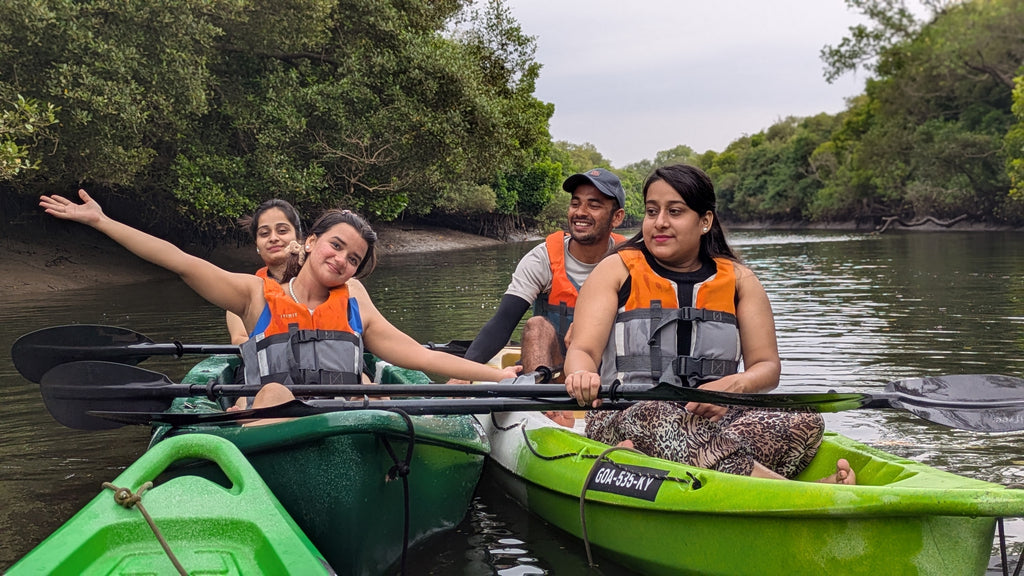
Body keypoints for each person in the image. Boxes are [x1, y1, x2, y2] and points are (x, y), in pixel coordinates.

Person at [40, 190, 520, 410]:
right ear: (311, 242)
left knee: (375, 388)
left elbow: (417, 353)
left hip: (340, 420)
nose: (341, 261)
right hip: (272, 424)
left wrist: (497, 376)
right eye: (335, 245)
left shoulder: (354, 298)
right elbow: (179, 260)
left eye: (353, 258)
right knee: (270, 394)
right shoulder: (252, 294)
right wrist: (102, 222)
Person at [562, 164, 854, 484]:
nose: (660, 222)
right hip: (626, 417)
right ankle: (797, 496)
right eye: (651, 211)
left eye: (675, 211)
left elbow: (766, 366)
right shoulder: (615, 270)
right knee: (657, 415)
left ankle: (721, 475)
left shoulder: (740, 280)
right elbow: (583, 349)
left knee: (803, 418)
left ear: (704, 221)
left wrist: (733, 386)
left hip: (713, 425)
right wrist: (580, 373)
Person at [460, 168, 627, 426]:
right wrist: (462, 372)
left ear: (616, 217)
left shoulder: (631, 260)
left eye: (593, 205)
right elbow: (503, 322)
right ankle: (550, 412)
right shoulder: (542, 258)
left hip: (604, 379)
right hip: (554, 373)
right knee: (536, 326)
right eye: (575, 203)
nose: (580, 212)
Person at [226, 199, 304, 345]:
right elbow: (239, 339)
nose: (273, 238)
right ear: (257, 245)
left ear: (298, 238)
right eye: (264, 233)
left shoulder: (321, 281)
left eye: (282, 231)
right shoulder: (242, 293)